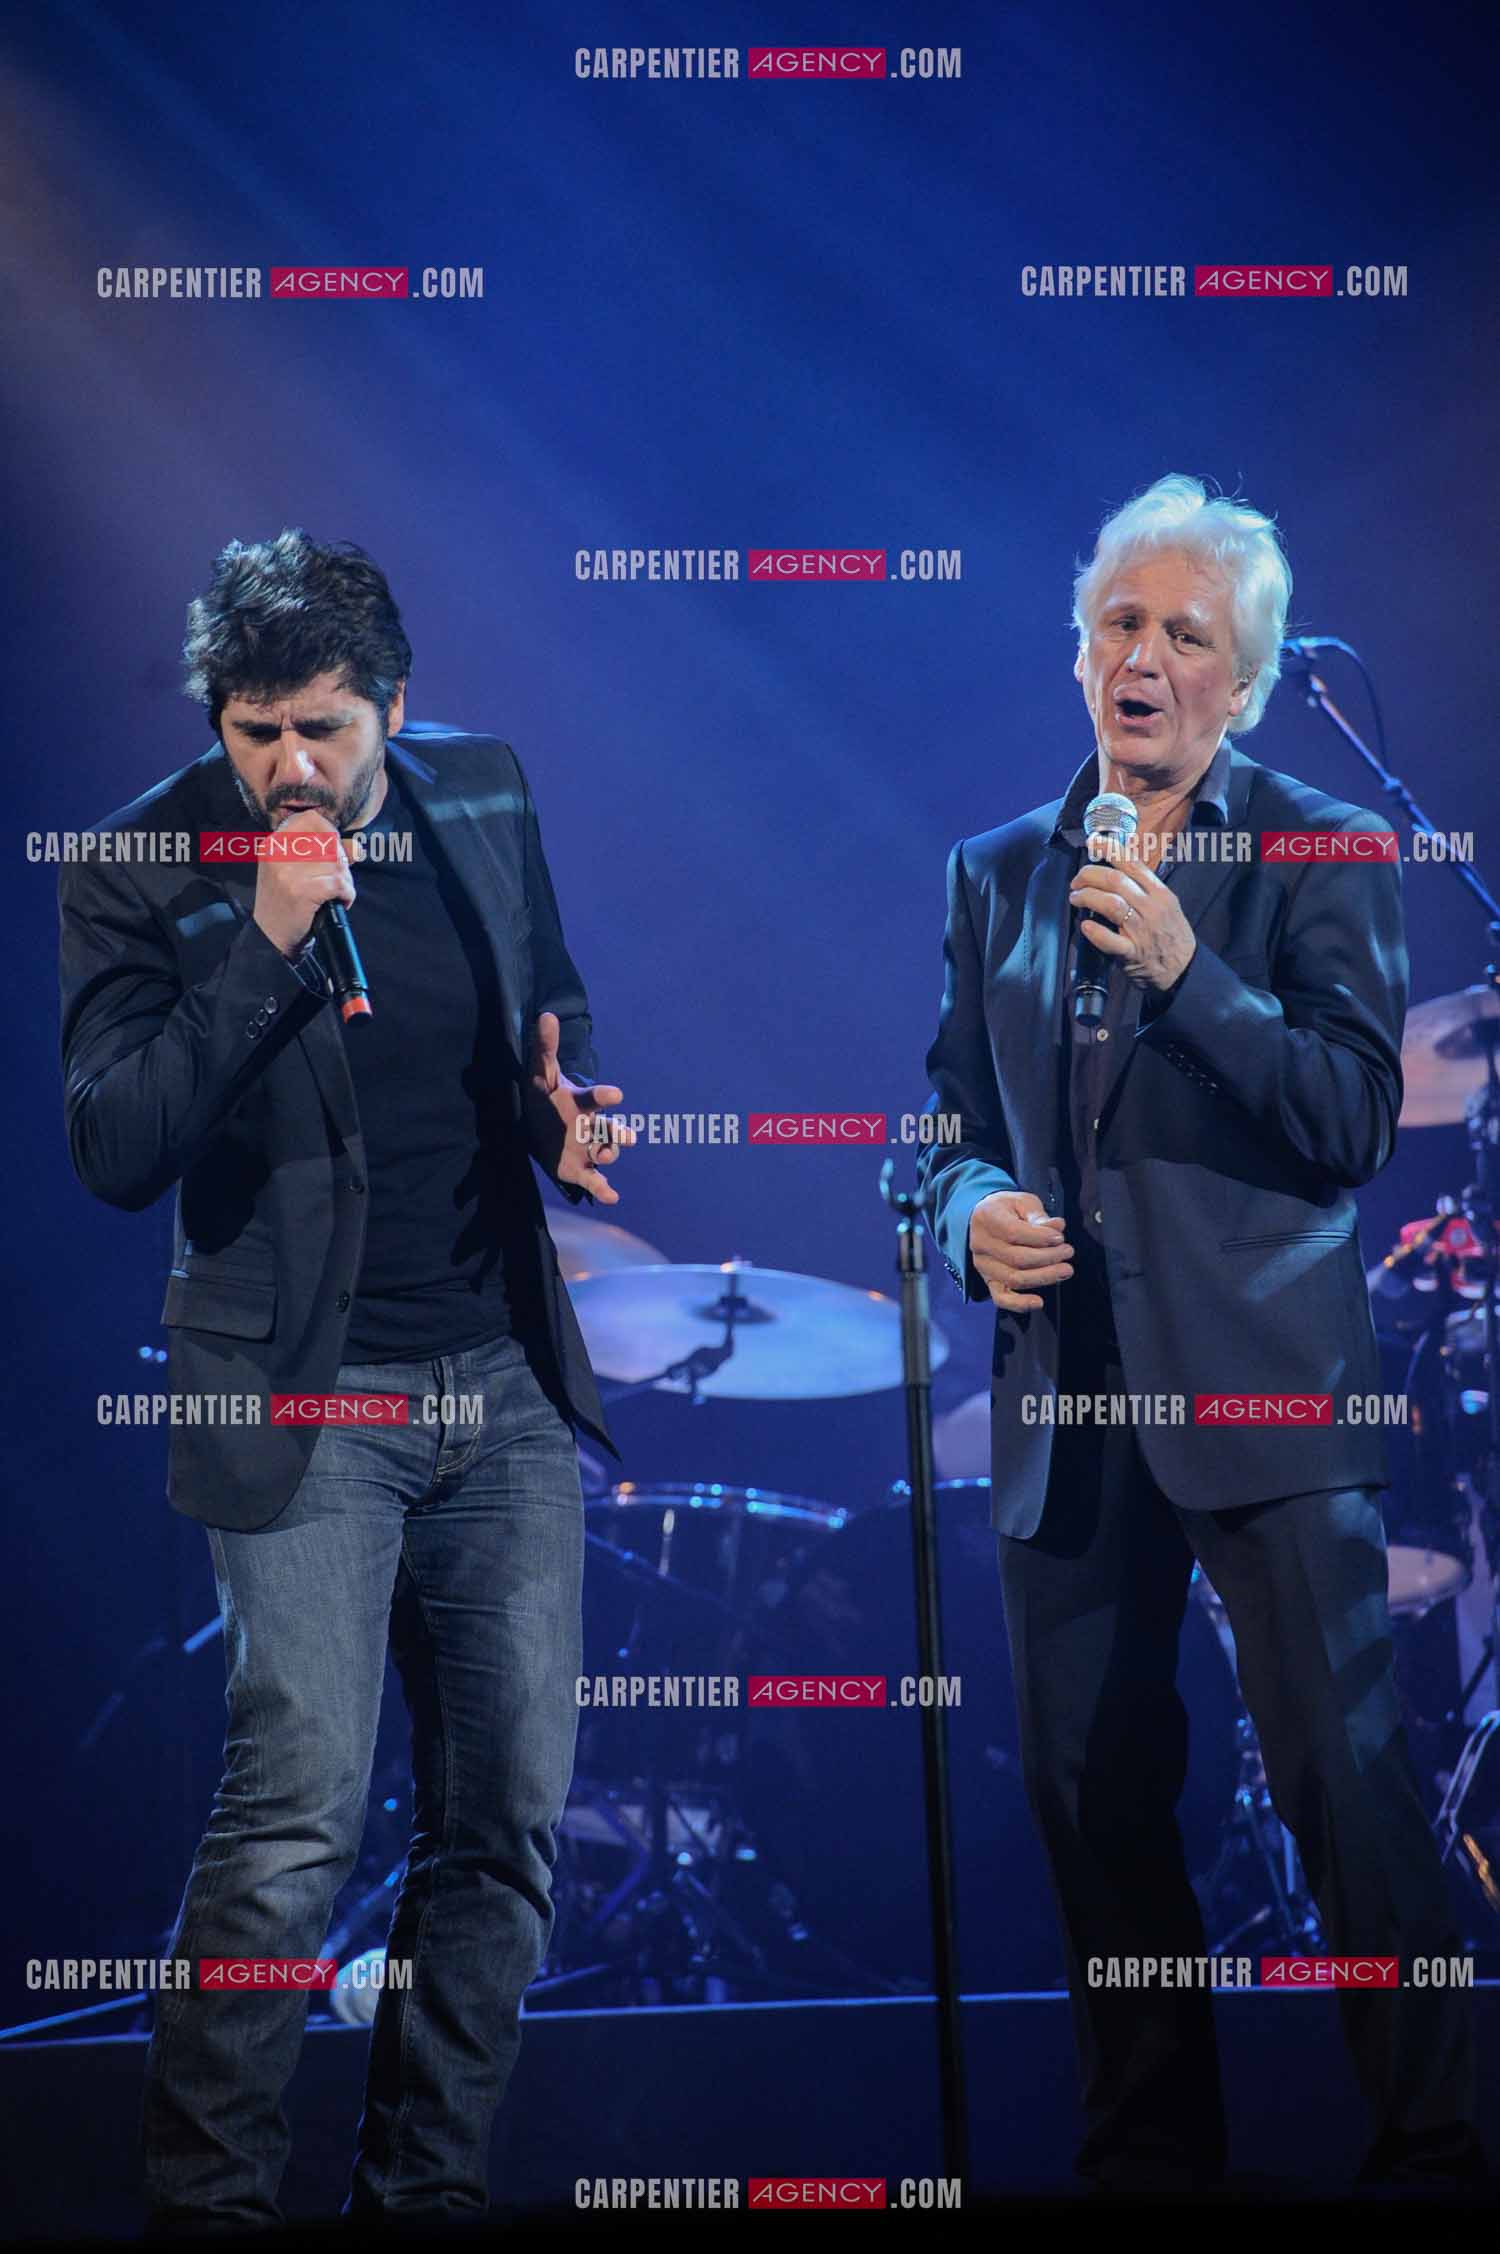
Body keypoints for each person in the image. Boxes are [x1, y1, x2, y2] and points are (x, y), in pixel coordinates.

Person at [58, 530, 632, 2229]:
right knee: (295, 1818)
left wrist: (565, 1106)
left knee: (508, 1816)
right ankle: (211, 2205)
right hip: (304, 1399)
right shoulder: (139, 861)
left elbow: (550, 1011)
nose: (290, 768)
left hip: (500, 1374)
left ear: (397, 700)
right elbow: (114, 1143)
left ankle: (426, 2189)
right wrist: (259, 938)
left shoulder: (485, 794)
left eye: (322, 727)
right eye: (254, 734)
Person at [917, 475, 1483, 2196]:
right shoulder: (999, 869)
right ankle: (1148, 2163)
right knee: (1093, 1807)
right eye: (1117, 623)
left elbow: (1352, 1115)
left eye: (1186, 635)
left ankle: (1436, 2152)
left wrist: (1186, 964)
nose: (1143, 658)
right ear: (1074, 651)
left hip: (1267, 1397)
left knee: (1346, 1790)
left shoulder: (1318, 842)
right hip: (1067, 1411)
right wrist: (963, 1216)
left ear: (1239, 683)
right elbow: (937, 1122)